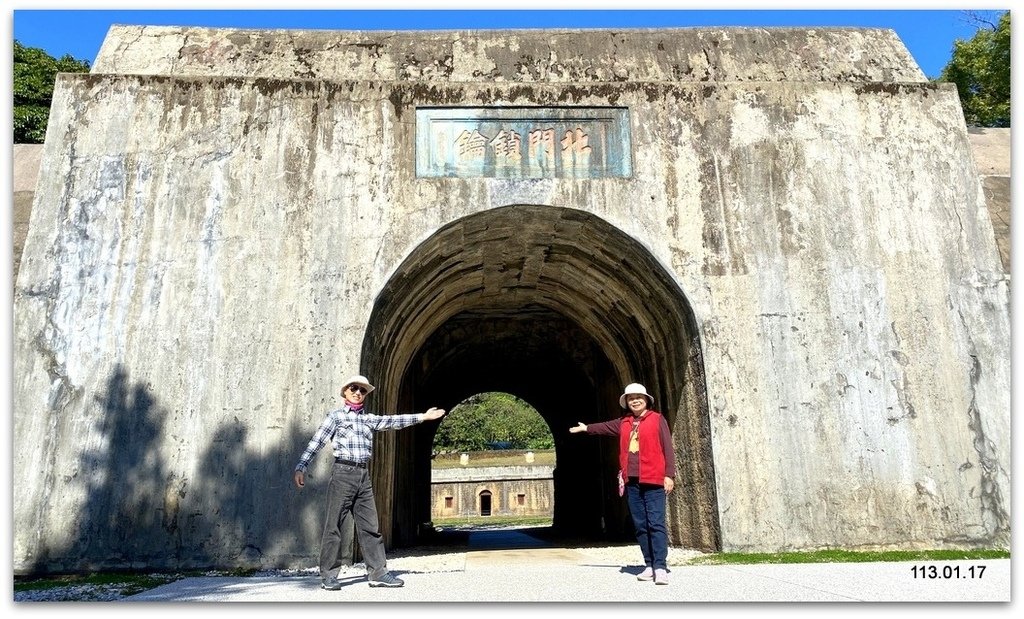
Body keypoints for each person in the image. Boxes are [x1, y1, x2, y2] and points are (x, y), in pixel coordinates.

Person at [294, 374, 446, 590]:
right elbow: (317, 441)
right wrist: (301, 466)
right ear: (345, 391)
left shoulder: (368, 419)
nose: (358, 392)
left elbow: (393, 421)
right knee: (333, 526)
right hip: (343, 473)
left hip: (363, 476)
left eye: (362, 390)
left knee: (370, 528)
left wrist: (423, 416)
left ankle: (378, 573)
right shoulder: (336, 417)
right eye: (354, 388)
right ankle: (328, 575)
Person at [570, 382, 676, 585]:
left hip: (654, 479)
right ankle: (649, 565)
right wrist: (586, 428)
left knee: (656, 523)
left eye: (639, 397)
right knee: (641, 525)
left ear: (646, 400)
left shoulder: (657, 419)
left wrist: (669, 475)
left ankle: (660, 567)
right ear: (627, 402)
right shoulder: (624, 422)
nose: (635, 400)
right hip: (632, 481)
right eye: (631, 398)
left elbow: (667, 448)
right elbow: (606, 427)